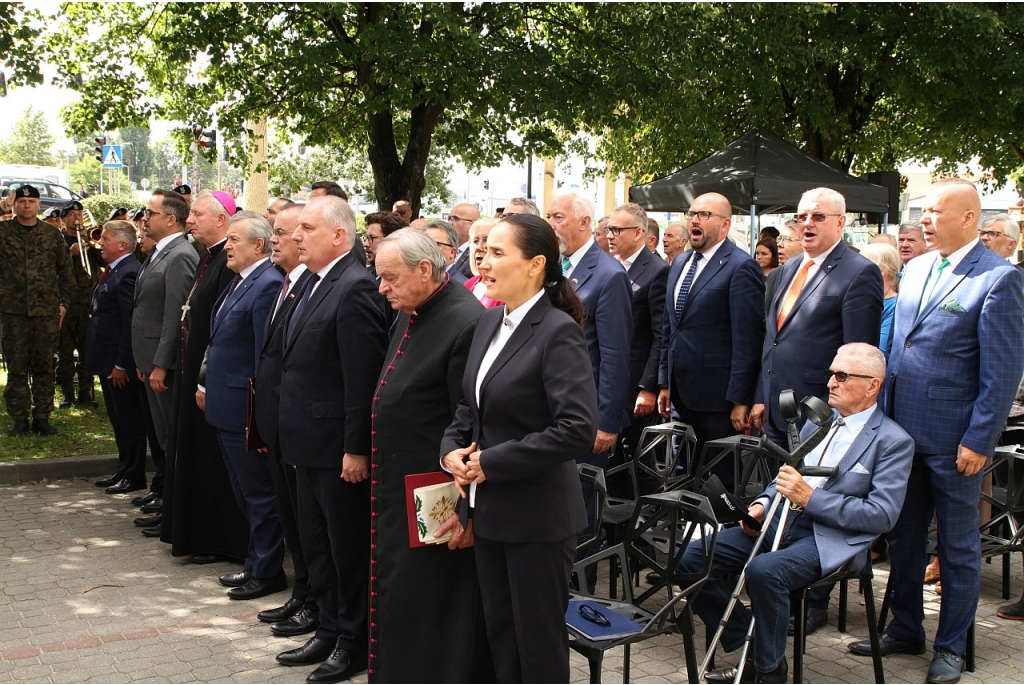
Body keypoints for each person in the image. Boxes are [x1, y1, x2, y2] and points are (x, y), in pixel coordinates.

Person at [854, 180, 1024, 684]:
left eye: (934, 211)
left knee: (957, 547)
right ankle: (906, 627)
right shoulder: (919, 267)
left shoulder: (997, 280)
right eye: (923, 211)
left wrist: (979, 439)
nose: (924, 219)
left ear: (969, 217)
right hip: (902, 437)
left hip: (954, 443)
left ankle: (951, 645)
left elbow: (1001, 372)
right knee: (905, 540)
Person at [695, 344, 915, 684]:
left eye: (842, 376)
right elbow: (785, 476)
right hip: (779, 520)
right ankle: (750, 645)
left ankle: (768, 674)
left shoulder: (892, 441)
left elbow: (881, 515)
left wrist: (811, 499)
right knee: (692, 557)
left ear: (873, 385)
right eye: (831, 374)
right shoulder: (818, 422)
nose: (830, 383)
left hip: (830, 537)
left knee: (765, 571)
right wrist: (760, 506)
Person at [440, 212, 598, 682]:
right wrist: (451, 449)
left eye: (496, 252)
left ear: (535, 265)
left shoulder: (557, 331)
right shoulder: (488, 323)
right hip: (489, 511)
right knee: (502, 635)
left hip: (538, 516)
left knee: (537, 645)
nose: (482, 261)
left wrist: (491, 462)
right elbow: (472, 407)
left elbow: (575, 428)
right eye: (482, 250)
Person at [368, 228, 490, 683]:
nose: (382, 289)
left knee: (434, 600)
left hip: (436, 491)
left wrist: (466, 508)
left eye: (390, 278)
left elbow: (472, 422)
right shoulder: (413, 307)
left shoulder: (464, 319)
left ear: (424, 269)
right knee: (402, 595)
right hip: (400, 481)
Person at [273, 196, 387, 684]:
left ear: (339, 235)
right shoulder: (316, 283)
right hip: (306, 444)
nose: (296, 236)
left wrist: (356, 447)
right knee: (317, 547)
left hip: (337, 450)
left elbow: (360, 379)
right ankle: (328, 627)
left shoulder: (356, 287)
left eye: (306, 229)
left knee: (345, 552)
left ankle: (353, 642)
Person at [197, 211, 286, 600]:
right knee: (244, 492)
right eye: (228, 239)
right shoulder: (240, 282)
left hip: (243, 409)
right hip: (224, 405)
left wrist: (258, 417)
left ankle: (267, 571)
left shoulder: (266, 284)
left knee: (259, 494)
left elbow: (261, 359)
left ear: (259, 246)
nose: (227, 246)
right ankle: (255, 562)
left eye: (235, 240)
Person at [751, 187, 884, 447]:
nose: (807, 223)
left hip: (819, 414)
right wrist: (761, 396)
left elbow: (859, 355)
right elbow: (772, 340)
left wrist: (840, 412)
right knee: (774, 487)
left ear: (841, 222)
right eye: (802, 217)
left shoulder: (859, 273)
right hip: (775, 410)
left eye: (818, 216)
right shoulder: (790, 266)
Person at [157, 191, 248, 557]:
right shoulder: (208, 256)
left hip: (212, 379)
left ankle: (217, 538)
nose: (189, 220)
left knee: (211, 462)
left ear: (222, 219)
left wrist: (204, 377)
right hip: (193, 370)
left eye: (197, 214)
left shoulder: (228, 260)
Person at [657, 193, 765, 486]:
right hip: (680, 392)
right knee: (684, 475)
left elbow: (748, 339)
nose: (694, 219)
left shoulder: (741, 267)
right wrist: (665, 381)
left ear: (725, 224)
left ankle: (721, 531)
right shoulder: (679, 263)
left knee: (719, 481)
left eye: (704, 215)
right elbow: (671, 326)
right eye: (692, 213)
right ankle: (690, 531)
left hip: (719, 400)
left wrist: (741, 399)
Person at [253, 203, 320, 636]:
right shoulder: (291, 286)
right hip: (281, 425)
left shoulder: (320, 287)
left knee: (313, 532)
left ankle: (315, 602)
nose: (279, 240)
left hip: (309, 431)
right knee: (295, 524)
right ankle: (303, 594)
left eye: (287, 232)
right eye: (276, 233)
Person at [547, 189, 632, 469]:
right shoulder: (552, 266)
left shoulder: (610, 275)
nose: (551, 224)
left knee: (582, 503)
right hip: (550, 405)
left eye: (558, 217)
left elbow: (615, 356)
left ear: (584, 222)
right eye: (548, 216)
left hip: (584, 412)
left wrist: (607, 422)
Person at [130, 189, 199, 516]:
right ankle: (166, 500)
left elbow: (175, 314)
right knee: (161, 437)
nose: (145, 217)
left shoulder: (181, 254)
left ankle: (173, 508)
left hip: (164, 365)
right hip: (149, 359)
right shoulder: (160, 252)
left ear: (171, 218)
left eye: (151, 212)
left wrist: (161, 363)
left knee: (171, 438)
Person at [0, 184, 74, 436]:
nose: (27, 206)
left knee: (44, 366)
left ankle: (42, 415)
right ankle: (19, 418)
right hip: (13, 312)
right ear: (15, 204)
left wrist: (63, 303)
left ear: (38, 204)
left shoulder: (51, 235)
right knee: (17, 367)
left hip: (45, 312)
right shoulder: (3, 232)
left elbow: (66, 272)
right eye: (21, 201)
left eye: (32, 202)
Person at [86, 221, 148, 494]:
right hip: (107, 360)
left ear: (122, 244)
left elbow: (128, 323)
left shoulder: (129, 272)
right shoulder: (115, 270)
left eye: (106, 239)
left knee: (129, 421)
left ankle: (134, 474)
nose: (101, 243)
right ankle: (124, 469)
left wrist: (121, 364)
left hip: (117, 363)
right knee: (118, 420)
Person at [605, 203, 669, 464]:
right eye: (609, 229)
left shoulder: (657, 270)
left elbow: (661, 334)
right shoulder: (608, 266)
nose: (610, 235)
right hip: (610, 375)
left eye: (617, 230)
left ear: (638, 232)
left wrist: (649, 386)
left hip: (636, 380)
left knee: (640, 456)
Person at [56, 200, 103, 408]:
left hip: (88, 302)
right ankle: (67, 393)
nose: (76, 218)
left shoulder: (88, 238)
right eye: (72, 214)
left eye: (79, 214)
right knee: (65, 351)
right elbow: (48, 265)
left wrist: (92, 243)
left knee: (87, 350)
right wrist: (70, 253)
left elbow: (104, 261)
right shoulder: (58, 240)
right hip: (66, 303)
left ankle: (87, 392)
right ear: (63, 218)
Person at [858, 243, 900, 357]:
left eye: (861, 265)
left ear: (882, 270)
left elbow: (881, 352)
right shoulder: (860, 299)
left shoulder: (894, 305)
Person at [463, 217, 502, 308]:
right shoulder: (469, 284)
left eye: (486, 240)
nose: (478, 247)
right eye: (475, 241)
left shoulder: (505, 288)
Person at [424, 218, 467, 284]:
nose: (427, 248)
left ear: (452, 252)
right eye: (424, 243)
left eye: (435, 244)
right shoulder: (420, 281)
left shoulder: (463, 285)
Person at [448, 203, 481, 279]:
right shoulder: (446, 249)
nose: (450, 223)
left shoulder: (478, 253)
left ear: (474, 223)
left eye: (455, 218)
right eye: (449, 218)